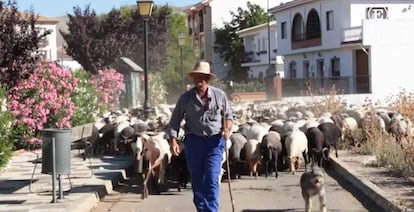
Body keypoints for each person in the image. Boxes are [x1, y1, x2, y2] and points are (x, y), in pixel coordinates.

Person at [168, 61, 233, 212]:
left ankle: (211, 210)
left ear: (208, 78)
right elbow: (175, 120)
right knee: (197, 181)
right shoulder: (186, 98)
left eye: (202, 76)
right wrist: (173, 140)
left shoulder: (220, 96)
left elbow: (229, 116)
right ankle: (202, 208)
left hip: (215, 142)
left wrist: (227, 128)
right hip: (194, 142)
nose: (199, 79)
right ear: (193, 78)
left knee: (211, 178)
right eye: (196, 76)